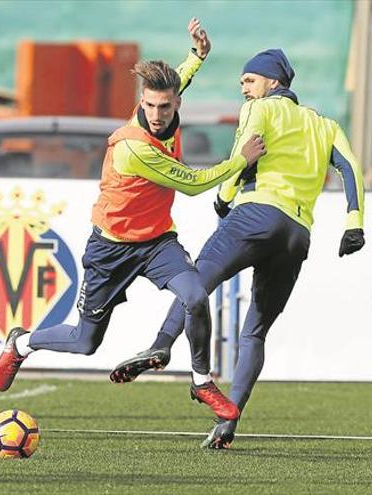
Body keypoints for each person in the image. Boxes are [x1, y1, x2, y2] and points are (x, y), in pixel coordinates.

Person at [0, 18, 267, 422]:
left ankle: (201, 380)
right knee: (85, 342)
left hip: (156, 243)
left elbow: (180, 81)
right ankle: (21, 343)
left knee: (195, 296)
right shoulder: (132, 147)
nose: (157, 114)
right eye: (150, 106)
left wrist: (197, 56)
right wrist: (240, 160)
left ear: (176, 104)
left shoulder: (167, 109)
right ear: (141, 101)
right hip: (111, 248)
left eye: (165, 106)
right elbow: (192, 183)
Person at [110, 48, 365, 448]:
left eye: (249, 79)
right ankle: (228, 423)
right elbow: (349, 167)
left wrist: (224, 198)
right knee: (255, 332)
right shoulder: (326, 125)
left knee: (196, 281)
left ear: (273, 83)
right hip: (297, 233)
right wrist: (354, 224)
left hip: (255, 215)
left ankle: (161, 345)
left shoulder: (260, 110)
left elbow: (242, 156)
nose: (243, 87)